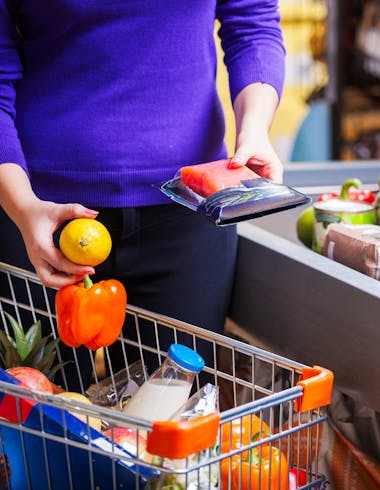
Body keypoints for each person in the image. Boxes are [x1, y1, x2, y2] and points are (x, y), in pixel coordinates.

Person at [0, 2, 286, 384]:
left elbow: (252, 23)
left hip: (187, 211)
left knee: (170, 421)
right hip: (36, 213)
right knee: (42, 427)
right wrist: (22, 207)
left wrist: (254, 129)